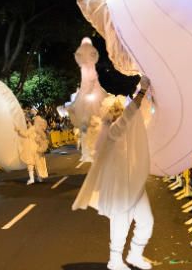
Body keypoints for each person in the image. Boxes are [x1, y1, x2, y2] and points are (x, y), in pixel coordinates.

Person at [72, 76, 152, 270]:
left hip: (133, 181)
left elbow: (134, 119)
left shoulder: (119, 131)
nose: (121, 113)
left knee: (146, 221)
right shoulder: (112, 131)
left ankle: (135, 255)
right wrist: (141, 92)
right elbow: (129, 116)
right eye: (119, 111)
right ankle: (115, 260)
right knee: (121, 223)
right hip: (119, 184)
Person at [15, 115, 49, 185]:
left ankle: (32, 179)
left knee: (30, 163)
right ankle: (40, 178)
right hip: (38, 148)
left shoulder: (33, 128)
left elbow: (25, 134)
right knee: (38, 163)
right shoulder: (40, 129)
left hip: (31, 148)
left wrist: (18, 130)